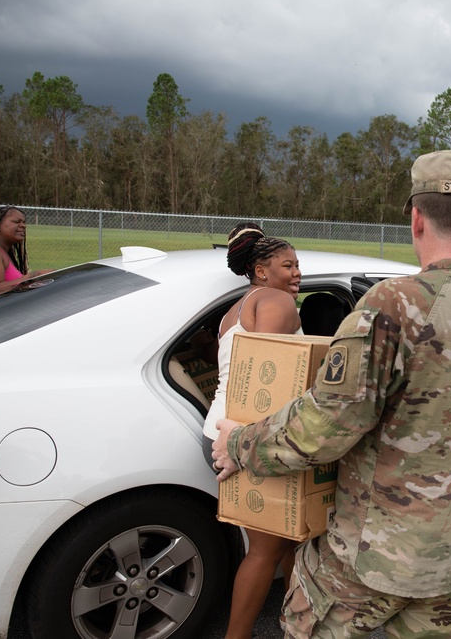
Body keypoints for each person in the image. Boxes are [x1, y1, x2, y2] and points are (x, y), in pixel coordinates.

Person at [212, 150, 451, 638]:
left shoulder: (392, 303)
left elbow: (325, 428)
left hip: (377, 556)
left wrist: (239, 444)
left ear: (416, 218)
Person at [201, 222, 302, 639]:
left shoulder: (234, 310)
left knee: (290, 539)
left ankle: (301, 621)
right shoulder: (275, 300)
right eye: (288, 265)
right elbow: (268, 379)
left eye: (298, 265)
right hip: (249, 434)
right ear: (261, 270)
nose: (297, 273)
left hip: (224, 427)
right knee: (266, 549)